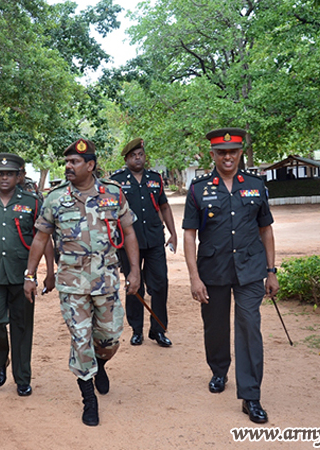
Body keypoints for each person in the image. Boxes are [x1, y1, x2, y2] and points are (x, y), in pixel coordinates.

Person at [24, 138, 141, 427]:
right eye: (66, 162)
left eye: (74, 162)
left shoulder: (113, 194)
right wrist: (30, 275)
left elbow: (129, 232)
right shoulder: (55, 198)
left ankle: (100, 364)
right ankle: (89, 398)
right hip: (72, 284)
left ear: (90, 165)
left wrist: (135, 271)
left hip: (107, 280)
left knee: (111, 337)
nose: (68, 166)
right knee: (80, 339)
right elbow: (40, 237)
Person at [183, 128, 279, 424]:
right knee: (215, 326)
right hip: (213, 270)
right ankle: (219, 369)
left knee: (249, 326)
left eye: (233, 151)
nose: (228, 156)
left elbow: (266, 229)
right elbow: (189, 235)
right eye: (221, 152)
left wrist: (271, 271)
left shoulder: (255, 185)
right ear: (212, 154)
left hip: (251, 269)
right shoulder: (198, 189)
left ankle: (251, 395)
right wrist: (194, 277)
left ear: (240, 153)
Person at [0, 153, 54, 397]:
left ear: (19, 176)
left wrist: (50, 271)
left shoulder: (33, 202)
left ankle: (22, 377)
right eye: (0, 174)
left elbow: (43, 238)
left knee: (22, 327)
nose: (4, 177)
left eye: (10, 173)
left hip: (22, 275)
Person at [111, 138, 178, 347]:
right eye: (133, 155)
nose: (137, 158)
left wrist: (173, 233)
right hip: (128, 244)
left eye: (140, 154)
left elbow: (164, 207)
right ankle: (136, 330)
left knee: (160, 284)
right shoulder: (117, 181)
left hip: (154, 240)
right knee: (134, 285)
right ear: (126, 158)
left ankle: (158, 330)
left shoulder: (155, 179)